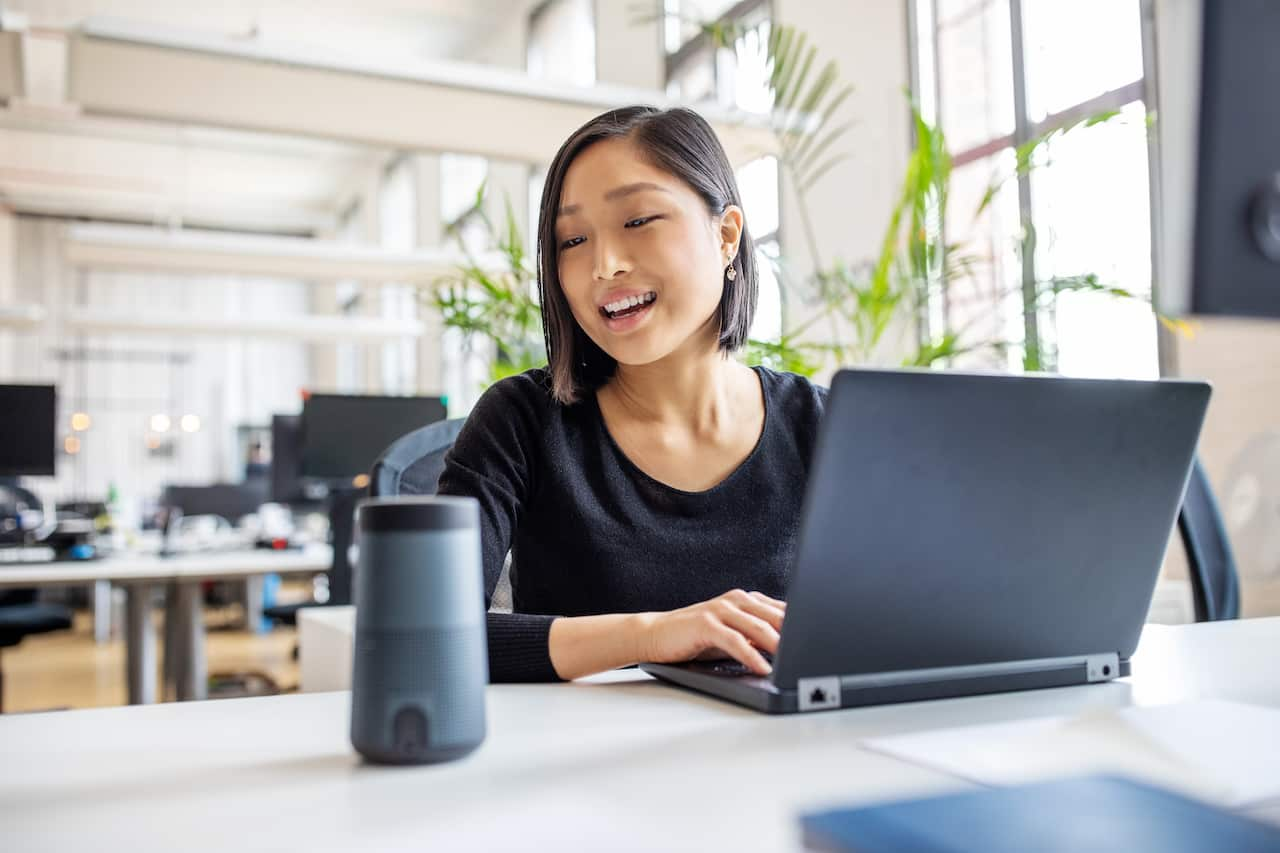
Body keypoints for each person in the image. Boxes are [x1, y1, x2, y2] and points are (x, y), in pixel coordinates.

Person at [438, 106, 827, 682]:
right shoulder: (520, 422)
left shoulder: (823, 425)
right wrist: (654, 634)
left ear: (725, 235)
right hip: (586, 763)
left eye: (638, 221)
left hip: (802, 756)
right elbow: (428, 634)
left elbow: (914, 612)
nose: (604, 265)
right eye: (572, 239)